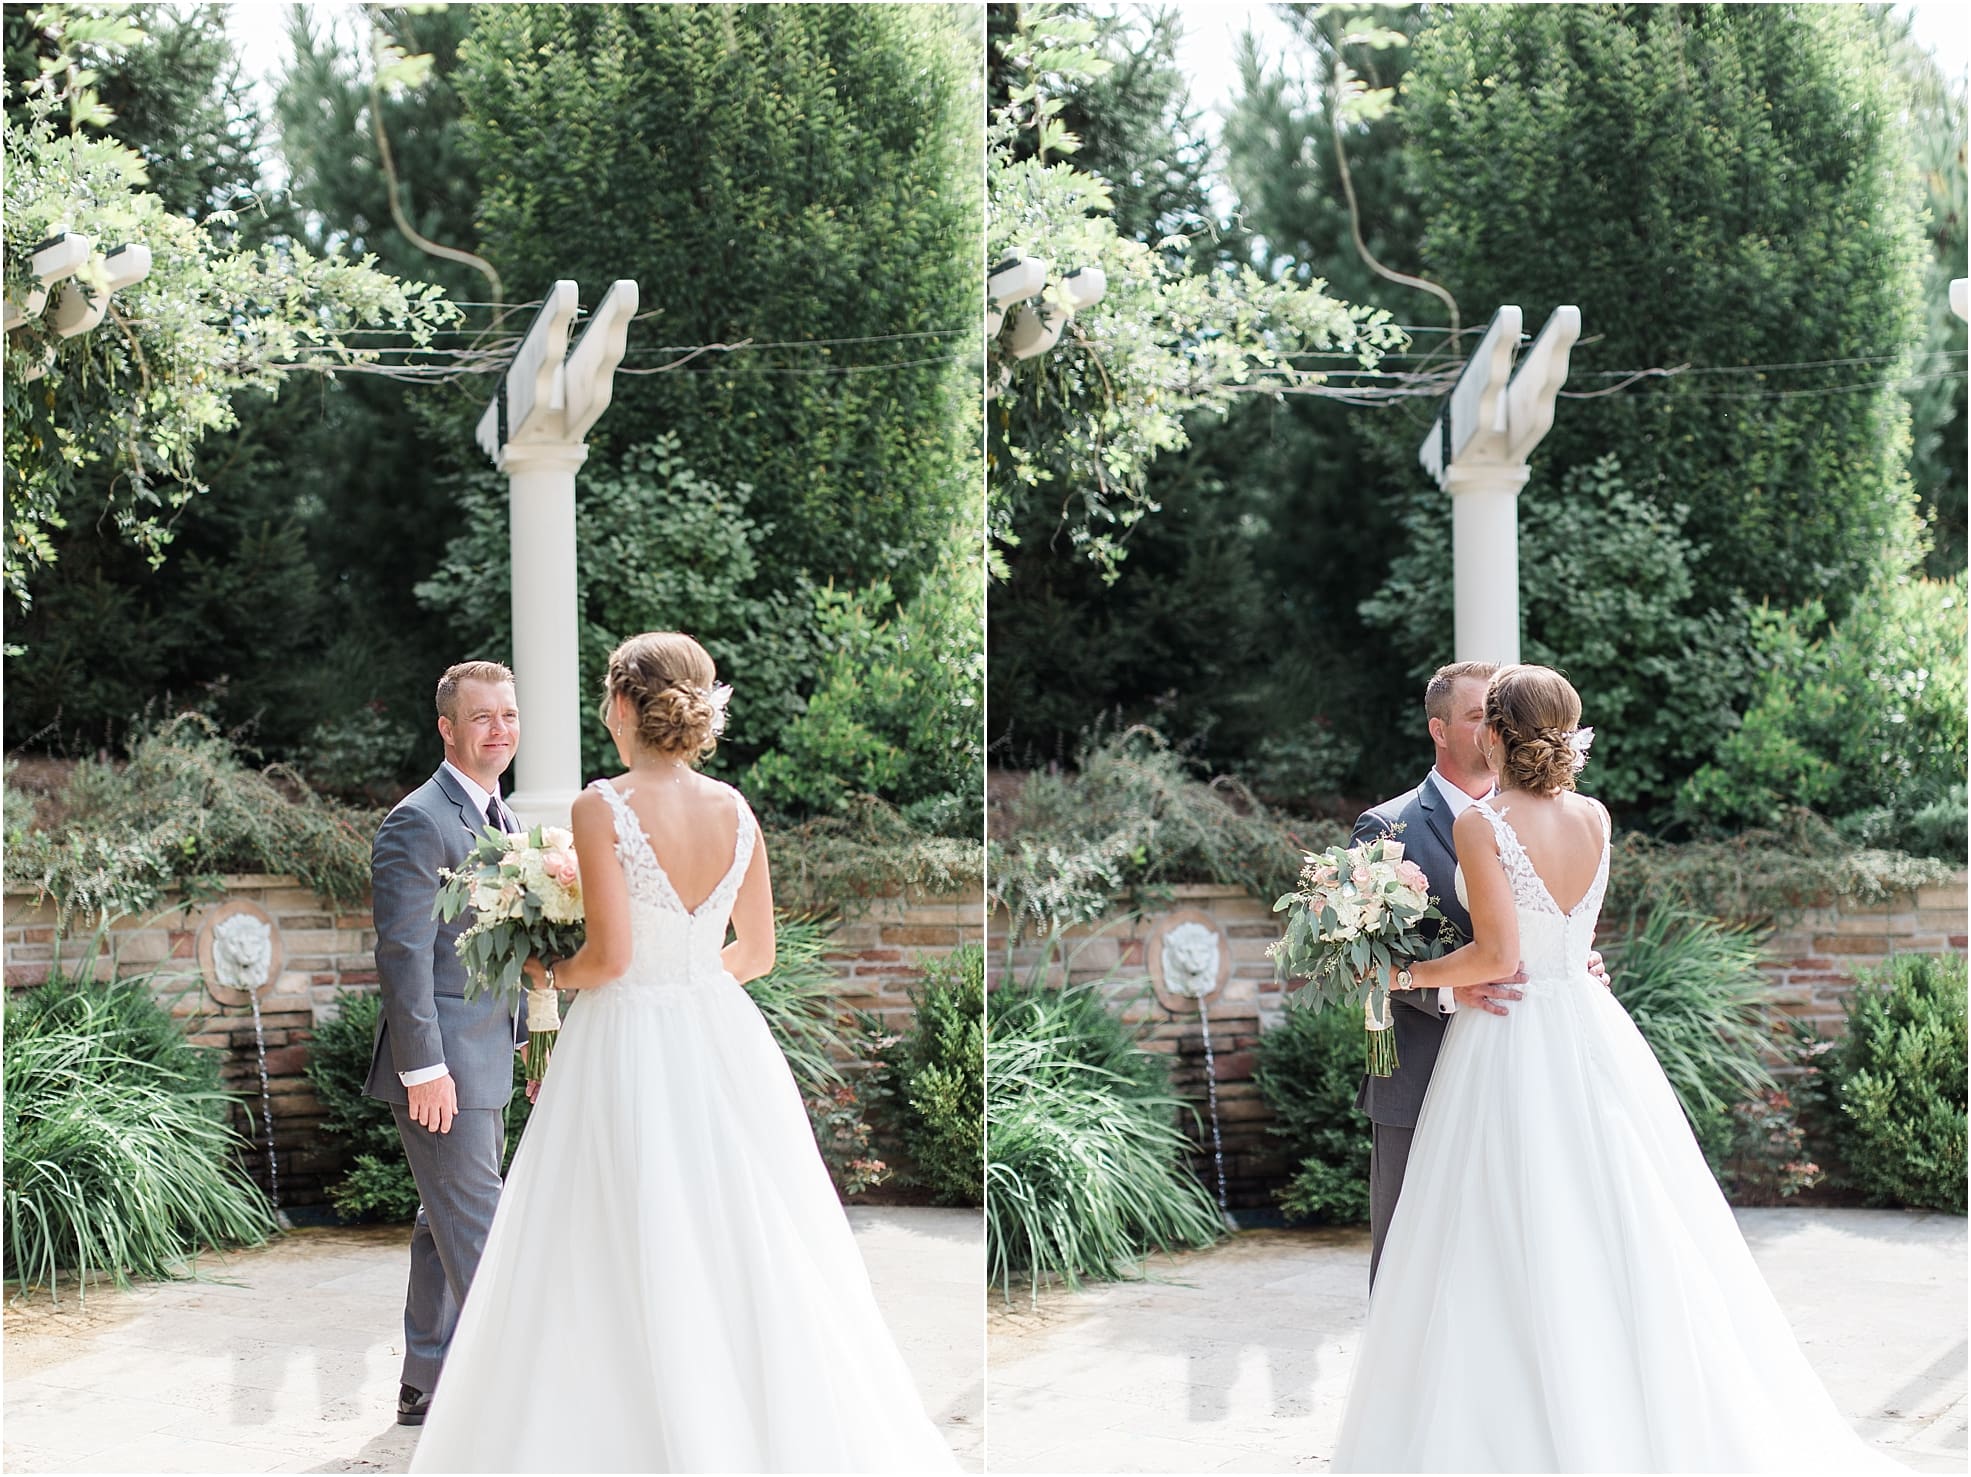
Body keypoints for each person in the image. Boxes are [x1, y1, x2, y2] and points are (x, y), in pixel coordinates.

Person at [409, 632, 959, 1474]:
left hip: (626, 1035)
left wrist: (545, 966)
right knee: (744, 1230)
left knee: (606, 1232)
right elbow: (759, 953)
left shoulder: (602, 805)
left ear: (624, 705)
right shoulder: (737, 807)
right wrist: (694, 986)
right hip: (721, 1033)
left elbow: (611, 960)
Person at [1332, 665, 1900, 1473]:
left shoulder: (1482, 825)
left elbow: (1497, 954)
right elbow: (1563, 934)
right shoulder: (1595, 817)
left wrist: (1398, 975)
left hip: (1507, 1043)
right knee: (1616, 1219)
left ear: (1495, 732)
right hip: (1589, 1032)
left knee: (1493, 1231)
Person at [1349, 660, 1607, 1284]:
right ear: (1442, 729)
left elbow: (1545, 927)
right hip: (1421, 1071)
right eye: (1475, 715)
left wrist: (1575, 961)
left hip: (1534, 1064)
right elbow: (1363, 963)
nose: (1487, 728)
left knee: (1531, 1253)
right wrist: (1443, 989)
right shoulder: (1387, 827)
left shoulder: (1541, 817)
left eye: (1492, 715)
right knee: (1414, 1267)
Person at [365, 660, 528, 1428]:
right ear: (447, 728)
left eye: (508, 714)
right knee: (482, 1232)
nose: (500, 729)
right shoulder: (417, 820)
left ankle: (423, 1380)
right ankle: (520, 1394)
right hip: (443, 1069)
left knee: (442, 1221)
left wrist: (532, 1040)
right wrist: (422, 1067)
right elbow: (403, 954)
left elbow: (506, 947)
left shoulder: (509, 819)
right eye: (482, 717)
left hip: (489, 1058)